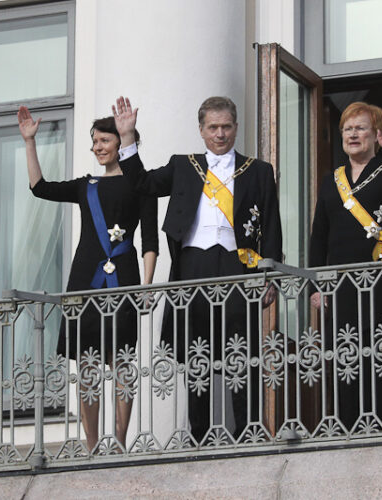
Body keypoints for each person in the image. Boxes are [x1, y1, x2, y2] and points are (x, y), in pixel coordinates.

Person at [112, 96, 282, 444]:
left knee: (241, 352)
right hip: (193, 265)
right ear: (201, 130)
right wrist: (127, 138)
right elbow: (143, 184)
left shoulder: (258, 170)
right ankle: (200, 435)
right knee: (197, 354)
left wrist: (271, 276)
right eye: (213, 127)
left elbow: (273, 226)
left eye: (226, 127)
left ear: (236, 127)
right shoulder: (183, 166)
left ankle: (249, 431)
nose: (220, 134)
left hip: (239, 264)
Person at [17, 106, 159, 452]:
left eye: (104, 139)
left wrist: (146, 286)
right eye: (94, 141)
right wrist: (30, 142)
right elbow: (40, 187)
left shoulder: (142, 185)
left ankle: (120, 442)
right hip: (84, 282)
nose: (97, 147)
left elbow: (151, 241)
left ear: (122, 141)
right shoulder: (86, 186)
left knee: (123, 362)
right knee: (88, 365)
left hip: (123, 279)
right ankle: (93, 445)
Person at [309, 102, 382, 431]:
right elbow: (319, 237)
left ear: (376, 135)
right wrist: (316, 286)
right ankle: (348, 427)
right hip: (341, 287)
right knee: (346, 358)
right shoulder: (332, 182)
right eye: (348, 129)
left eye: (361, 128)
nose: (353, 134)